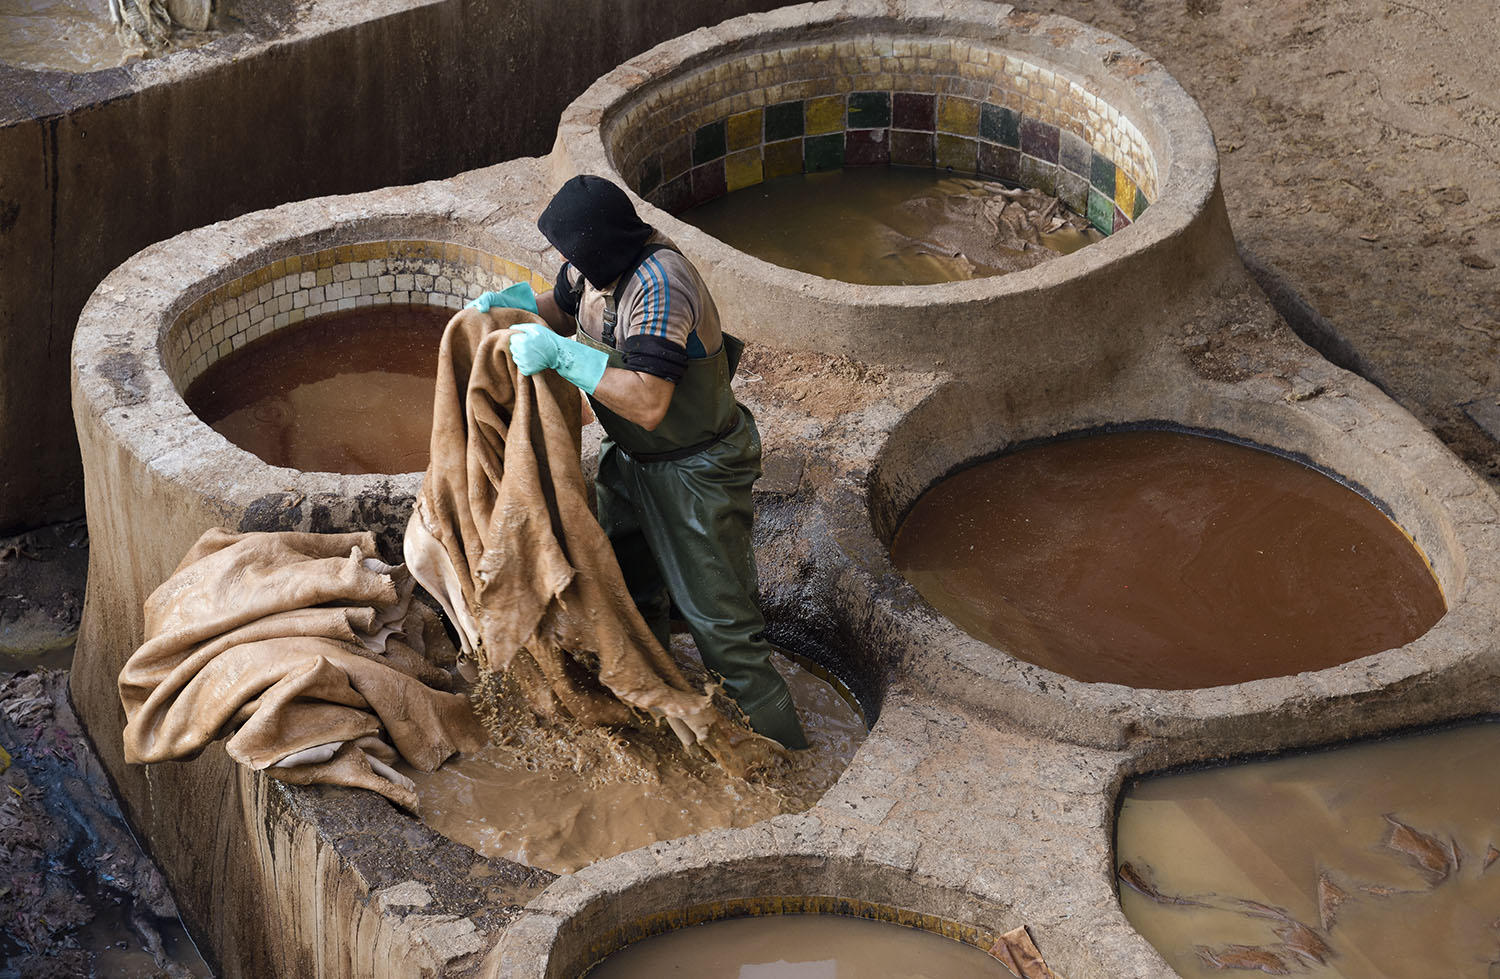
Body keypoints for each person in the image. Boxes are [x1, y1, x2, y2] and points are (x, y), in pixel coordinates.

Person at [469, 174, 808, 750]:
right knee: (627, 594)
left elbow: (650, 402)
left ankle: (789, 758)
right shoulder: (595, 264)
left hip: (696, 469)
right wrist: (516, 308)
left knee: (721, 625)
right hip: (629, 460)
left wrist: (561, 355)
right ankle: (660, 712)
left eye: (570, 251)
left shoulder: (662, 285)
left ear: (602, 244)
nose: (564, 261)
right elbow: (564, 305)